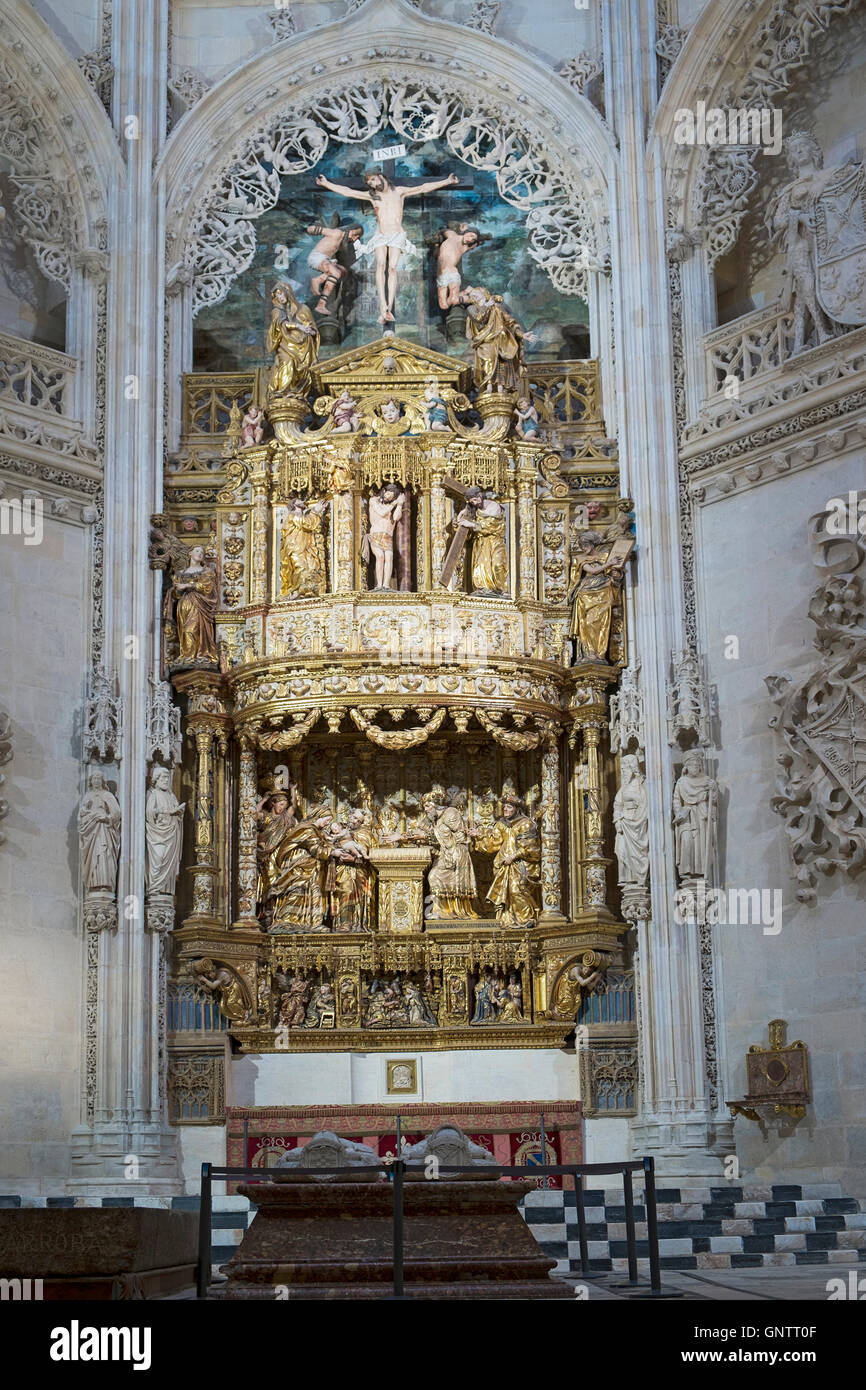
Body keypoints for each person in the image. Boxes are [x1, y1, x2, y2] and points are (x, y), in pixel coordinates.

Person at [316, 168, 459, 324]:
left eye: (372, 179)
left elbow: (423, 187)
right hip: (381, 236)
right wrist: (327, 184)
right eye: (368, 182)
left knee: (392, 269)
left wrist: (447, 181)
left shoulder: (399, 192)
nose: (370, 184)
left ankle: (388, 308)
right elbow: (348, 191)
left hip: (397, 235)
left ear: (381, 176)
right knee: (380, 266)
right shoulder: (373, 197)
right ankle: (382, 306)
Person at [267, 282, 319, 397]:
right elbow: (281, 325)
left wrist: (310, 331)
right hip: (285, 346)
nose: (279, 298)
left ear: (287, 292)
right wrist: (299, 326)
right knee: (287, 363)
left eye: (280, 294)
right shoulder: (277, 311)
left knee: (303, 370)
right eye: (276, 296)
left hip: (303, 347)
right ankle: (282, 392)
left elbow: (314, 330)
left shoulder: (303, 309)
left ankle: (295, 391)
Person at [305, 220, 364, 315]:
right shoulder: (337, 233)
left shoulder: (342, 241)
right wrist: (313, 229)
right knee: (336, 273)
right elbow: (314, 230)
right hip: (317, 257)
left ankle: (319, 279)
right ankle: (321, 304)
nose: (356, 239)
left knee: (343, 271)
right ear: (352, 231)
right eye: (357, 235)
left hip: (326, 259)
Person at [172, 545, 218, 664]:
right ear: (190, 553)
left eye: (202, 552)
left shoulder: (207, 572)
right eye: (197, 551)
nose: (200, 553)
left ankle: (197, 654)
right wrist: (176, 588)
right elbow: (176, 593)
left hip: (199, 604)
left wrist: (187, 585)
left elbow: (207, 587)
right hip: (184, 604)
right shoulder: (181, 573)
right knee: (184, 629)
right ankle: (187, 654)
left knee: (193, 629)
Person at [280, 497, 328, 597]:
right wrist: (315, 511)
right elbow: (306, 523)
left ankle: (308, 591)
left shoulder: (302, 516)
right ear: (294, 504)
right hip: (295, 548)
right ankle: (296, 591)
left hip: (306, 547)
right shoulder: (291, 515)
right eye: (299, 500)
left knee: (311, 568)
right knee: (300, 568)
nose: (303, 501)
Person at [433, 223, 484, 309]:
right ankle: (467, 291)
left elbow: (478, 243)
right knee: (443, 306)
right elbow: (442, 232)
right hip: (440, 275)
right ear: (466, 232)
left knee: (454, 300)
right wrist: (436, 245)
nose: (470, 239)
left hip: (452, 272)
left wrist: (477, 241)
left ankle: (477, 297)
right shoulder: (453, 235)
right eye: (471, 235)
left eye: (473, 239)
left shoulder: (465, 248)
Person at [364, 484, 404, 590]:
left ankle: (386, 585)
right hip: (376, 534)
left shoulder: (392, 506)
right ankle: (379, 585)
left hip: (388, 536)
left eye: (392, 496)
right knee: (380, 556)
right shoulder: (373, 500)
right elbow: (381, 513)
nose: (389, 497)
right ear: (384, 491)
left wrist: (400, 505)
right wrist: (394, 503)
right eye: (388, 494)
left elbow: (396, 517)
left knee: (389, 557)